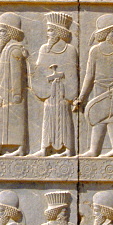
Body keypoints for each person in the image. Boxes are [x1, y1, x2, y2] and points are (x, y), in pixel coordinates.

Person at [76, 15, 113, 157]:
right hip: (99, 88)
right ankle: (94, 150)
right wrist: (82, 97)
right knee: (98, 118)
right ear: (105, 34)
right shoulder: (95, 51)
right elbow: (89, 76)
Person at [33, 12, 78, 157]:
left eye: (51, 30)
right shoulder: (43, 50)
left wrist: (71, 94)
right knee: (48, 115)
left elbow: (72, 74)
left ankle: (68, 149)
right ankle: (46, 147)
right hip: (50, 93)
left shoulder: (70, 50)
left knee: (64, 116)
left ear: (59, 32)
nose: (48, 34)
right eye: (47, 30)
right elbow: (39, 71)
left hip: (63, 93)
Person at [0, 13, 29, 157]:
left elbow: (16, 74)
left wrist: (16, 94)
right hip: (5, 92)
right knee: (1, 120)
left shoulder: (14, 49)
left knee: (15, 119)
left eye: (2, 31)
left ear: (11, 32)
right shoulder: (7, 49)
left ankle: (21, 148)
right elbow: (7, 70)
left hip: (13, 93)